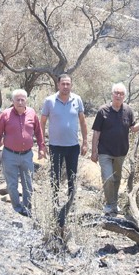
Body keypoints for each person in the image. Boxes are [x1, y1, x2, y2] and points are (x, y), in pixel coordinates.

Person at [90, 82, 139, 215]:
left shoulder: (128, 110)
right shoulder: (103, 111)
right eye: (116, 93)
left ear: (124, 96)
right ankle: (109, 204)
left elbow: (133, 128)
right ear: (112, 94)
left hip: (121, 152)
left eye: (121, 94)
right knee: (108, 178)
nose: (118, 96)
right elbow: (96, 132)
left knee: (117, 178)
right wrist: (94, 152)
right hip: (104, 151)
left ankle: (114, 204)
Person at [40, 74, 88, 230]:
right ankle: (55, 204)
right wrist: (42, 143)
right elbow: (42, 122)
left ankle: (70, 204)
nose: (65, 86)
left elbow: (82, 121)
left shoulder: (77, 100)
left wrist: (85, 141)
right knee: (55, 177)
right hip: (55, 146)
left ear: (71, 85)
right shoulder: (49, 101)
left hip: (73, 146)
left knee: (72, 177)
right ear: (58, 85)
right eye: (63, 84)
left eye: (68, 84)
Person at [0, 89, 47, 216]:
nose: (20, 102)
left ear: (26, 101)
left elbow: (39, 132)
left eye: (23, 99)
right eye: (17, 99)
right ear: (13, 101)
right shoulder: (5, 115)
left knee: (28, 183)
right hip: (9, 155)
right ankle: (17, 209)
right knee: (12, 184)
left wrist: (41, 148)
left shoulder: (32, 113)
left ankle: (27, 208)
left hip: (27, 156)